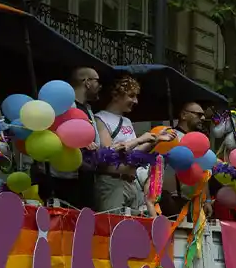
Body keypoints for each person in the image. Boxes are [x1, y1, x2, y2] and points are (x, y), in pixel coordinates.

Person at [94, 75, 165, 214]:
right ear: (116, 95)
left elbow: (135, 153)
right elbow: (109, 154)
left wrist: (155, 140)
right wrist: (139, 140)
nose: (135, 101)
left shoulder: (127, 121)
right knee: (111, 227)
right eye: (131, 96)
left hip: (132, 183)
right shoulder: (100, 118)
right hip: (112, 183)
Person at [49, 66, 102, 208]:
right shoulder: (64, 105)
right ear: (87, 82)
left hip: (86, 176)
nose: (100, 86)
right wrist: (80, 142)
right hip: (65, 177)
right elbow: (54, 133)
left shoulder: (88, 109)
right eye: (97, 81)